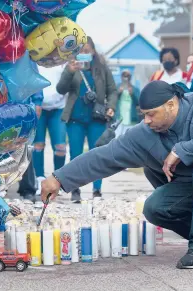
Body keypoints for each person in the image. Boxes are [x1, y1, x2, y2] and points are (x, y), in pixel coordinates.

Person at [41, 80, 193, 269]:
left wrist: (180, 150)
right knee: (155, 207)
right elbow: (104, 156)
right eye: (143, 115)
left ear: (171, 105)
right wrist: (59, 178)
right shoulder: (145, 133)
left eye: (151, 114)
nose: (146, 121)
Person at [56, 36, 117, 202]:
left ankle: (97, 190)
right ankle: (75, 190)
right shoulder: (72, 67)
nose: (84, 53)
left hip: (97, 118)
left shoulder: (102, 68)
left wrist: (111, 106)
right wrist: (69, 71)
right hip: (75, 118)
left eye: (87, 51)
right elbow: (61, 89)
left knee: (97, 154)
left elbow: (112, 90)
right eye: (81, 51)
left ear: (93, 51)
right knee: (75, 155)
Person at [33, 65, 67, 194]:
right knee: (38, 145)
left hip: (58, 108)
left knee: (60, 147)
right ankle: (39, 179)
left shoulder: (62, 61)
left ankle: (59, 179)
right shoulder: (35, 61)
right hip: (40, 107)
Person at [115, 70, 140, 136]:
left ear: (130, 77)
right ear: (121, 77)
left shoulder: (135, 89)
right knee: (117, 138)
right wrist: (118, 92)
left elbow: (139, 103)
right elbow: (112, 99)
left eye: (127, 76)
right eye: (124, 75)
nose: (126, 77)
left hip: (131, 119)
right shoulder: (116, 87)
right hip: (119, 118)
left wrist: (132, 94)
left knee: (130, 138)